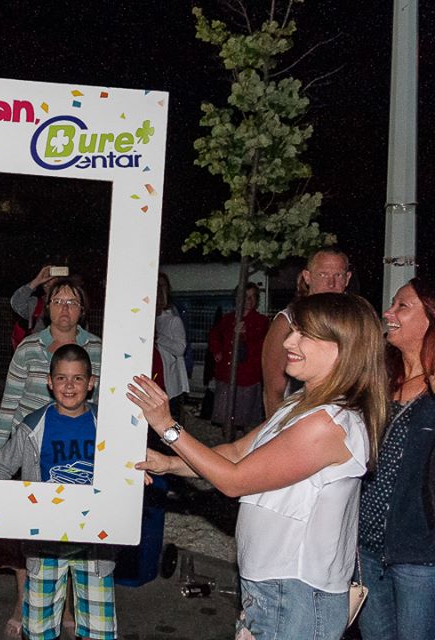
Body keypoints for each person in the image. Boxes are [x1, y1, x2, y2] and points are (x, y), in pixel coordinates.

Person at [128, 292, 387, 639]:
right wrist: (171, 463)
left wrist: (167, 427)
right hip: (270, 586)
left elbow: (235, 480)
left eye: (304, 334)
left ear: (343, 348)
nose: (288, 341)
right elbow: (236, 452)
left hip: (294, 592)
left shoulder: (329, 423)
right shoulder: (302, 402)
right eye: (292, 331)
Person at [0, 277, 102, 639]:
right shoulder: (28, 348)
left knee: (81, 545)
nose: (65, 308)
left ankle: (71, 610)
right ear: (47, 307)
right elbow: (9, 402)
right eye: (57, 301)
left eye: (72, 301)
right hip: (35, 451)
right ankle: (28, 607)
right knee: (36, 540)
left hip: (82, 448)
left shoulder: (98, 349)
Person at [357, 277, 435, 639]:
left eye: (402, 306)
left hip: (420, 553)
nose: (388, 312)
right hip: (367, 549)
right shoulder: (382, 379)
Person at [261, 248, 351, 416]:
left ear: (347, 279)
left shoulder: (354, 322)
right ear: (307, 277)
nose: (331, 284)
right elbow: (273, 390)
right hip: (299, 419)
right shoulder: (287, 321)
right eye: (323, 275)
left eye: (338, 275)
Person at [208, 282, 269, 429]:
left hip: (247, 377)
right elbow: (214, 336)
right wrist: (217, 351)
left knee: (244, 419)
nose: (249, 300)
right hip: (226, 375)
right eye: (245, 297)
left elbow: (260, 345)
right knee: (225, 417)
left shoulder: (261, 321)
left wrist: (244, 335)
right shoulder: (228, 319)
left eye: (253, 297)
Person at [154, 273, 188, 418]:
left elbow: (180, 349)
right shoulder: (146, 320)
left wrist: (158, 337)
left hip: (167, 384)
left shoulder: (172, 320)